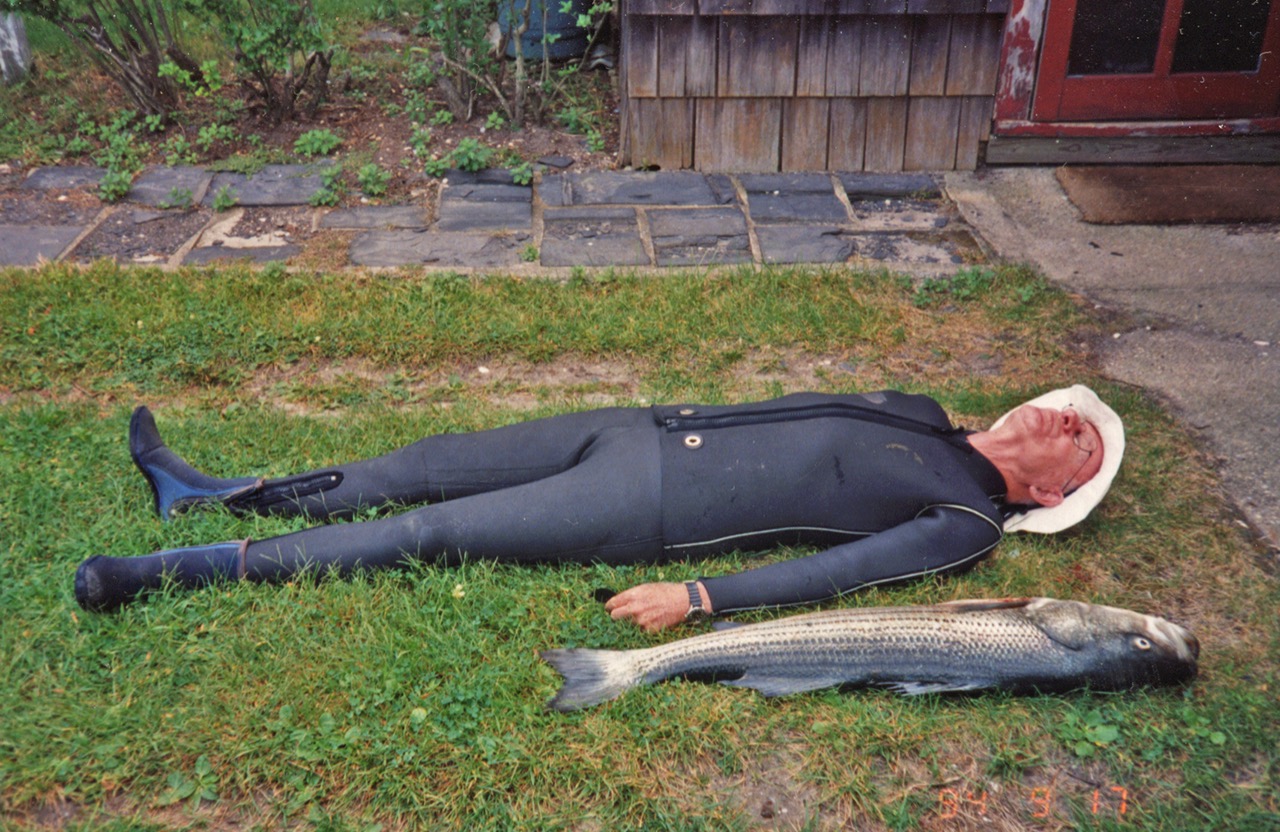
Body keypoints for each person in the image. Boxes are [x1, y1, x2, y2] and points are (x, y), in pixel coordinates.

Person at [74, 385, 1124, 628]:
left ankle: (170, 571)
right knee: (423, 462)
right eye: (1068, 413)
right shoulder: (922, 413)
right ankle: (205, 490)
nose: (1063, 420)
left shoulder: (969, 521)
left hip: (653, 504)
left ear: (1052, 493)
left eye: (1078, 443)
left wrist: (701, 594)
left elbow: (845, 577)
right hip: (642, 428)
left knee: (426, 535)